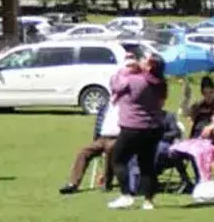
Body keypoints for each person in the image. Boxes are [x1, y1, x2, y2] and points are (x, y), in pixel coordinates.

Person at [105, 51, 168, 210]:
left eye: (143, 59)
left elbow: (115, 84)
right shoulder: (160, 83)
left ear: (149, 65)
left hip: (133, 127)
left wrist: (124, 69)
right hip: (154, 128)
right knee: (147, 164)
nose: (139, 60)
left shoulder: (135, 80)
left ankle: (126, 195)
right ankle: (148, 201)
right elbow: (160, 104)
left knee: (118, 159)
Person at [60, 100, 122, 195]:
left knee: (110, 149)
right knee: (83, 152)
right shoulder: (106, 106)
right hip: (102, 138)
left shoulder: (126, 106)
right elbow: (99, 123)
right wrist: (96, 138)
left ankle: (107, 182)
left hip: (118, 138)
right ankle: (73, 184)